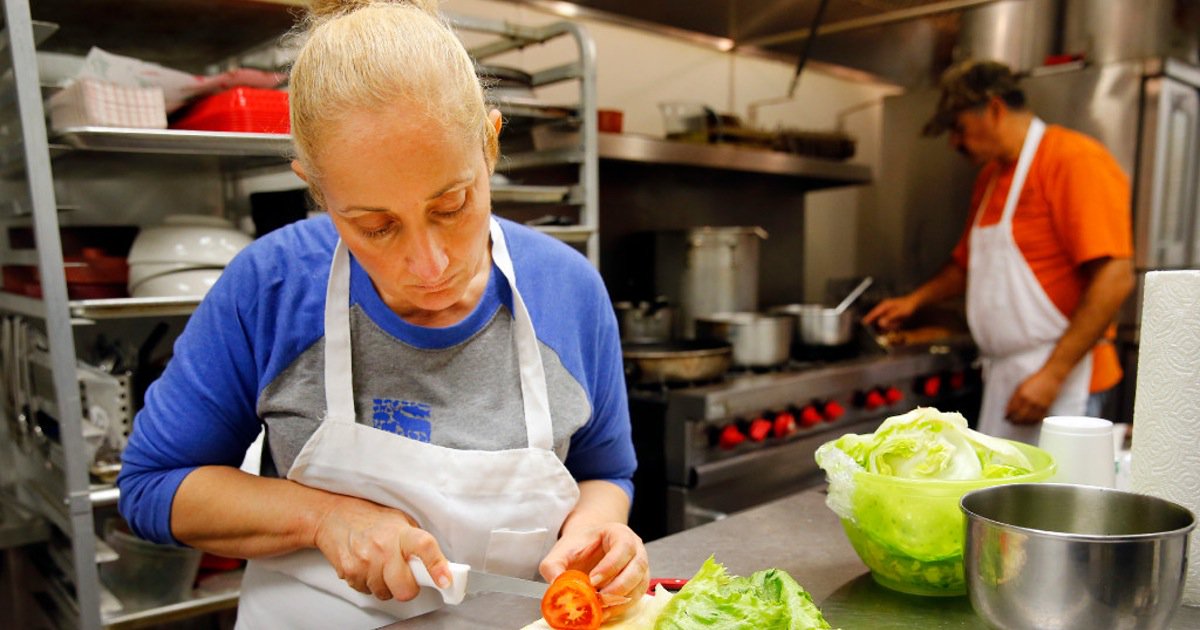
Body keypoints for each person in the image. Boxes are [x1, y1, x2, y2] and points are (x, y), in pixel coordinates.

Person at [116, 1, 648, 626]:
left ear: (490, 143)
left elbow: (605, 473)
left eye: (451, 206)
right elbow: (153, 486)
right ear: (316, 188)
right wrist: (324, 518)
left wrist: (599, 535)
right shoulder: (271, 287)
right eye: (375, 226)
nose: (429, 266)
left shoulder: (569, 290)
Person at [864, 59, 1134, 444]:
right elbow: (968, 265)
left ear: (994, 109)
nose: (953, 143)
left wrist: (1053, 376)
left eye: (958, 128)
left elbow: (1114, 278)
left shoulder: (1074, 159)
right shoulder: (990, 178)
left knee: (1059, 483)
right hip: (1009, 377)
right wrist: (913, 302)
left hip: (1067, 380)